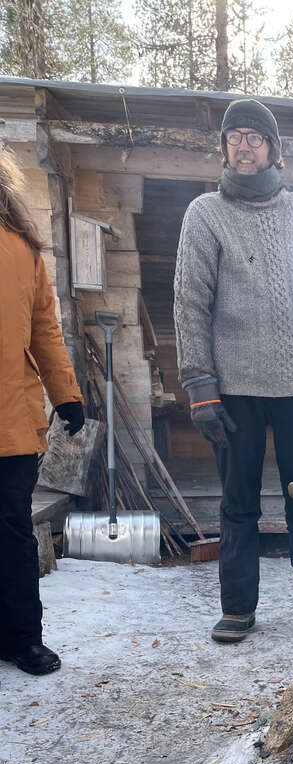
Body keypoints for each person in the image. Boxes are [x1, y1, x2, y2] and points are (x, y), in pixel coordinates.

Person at [174, 99, 293, 643]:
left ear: (273, 149)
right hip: (233, 390)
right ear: (225, 148)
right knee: (238, 504)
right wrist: (199, 385)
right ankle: (238, 607)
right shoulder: (205, 214)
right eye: (235, 137)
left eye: (255, 137)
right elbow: (189, 302)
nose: (244, 146)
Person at [0, 148, 85, 675]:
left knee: (10, 531)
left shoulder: (21, 252)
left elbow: (44, 333)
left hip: (9, 420)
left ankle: (21, 638)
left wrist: (66, 393)